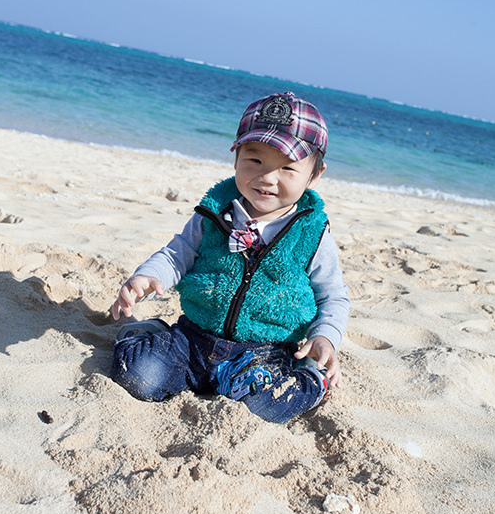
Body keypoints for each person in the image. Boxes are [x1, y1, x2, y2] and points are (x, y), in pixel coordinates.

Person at [111, 91, 350, 424]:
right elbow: (178, 253)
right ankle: (146, 332)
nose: (268, 177)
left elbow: (333, 296)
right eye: (255, 161)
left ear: (315, 174)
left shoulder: (311, 233)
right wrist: (150, 275)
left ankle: (312, 374)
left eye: (288, 168)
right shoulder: (215, 213)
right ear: (236, 155)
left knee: (268, 407)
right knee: (140, 375)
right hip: (194, 338)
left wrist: (324, 337)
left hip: (264, 353)